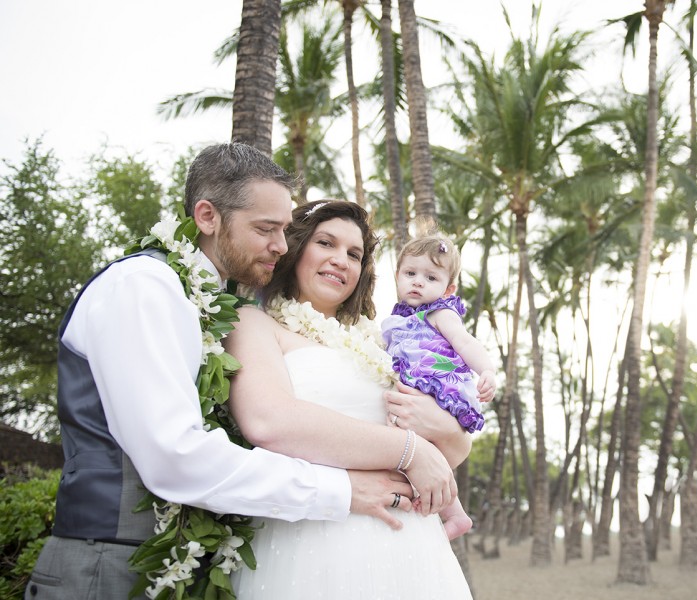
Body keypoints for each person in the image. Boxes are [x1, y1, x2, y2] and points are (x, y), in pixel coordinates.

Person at [26, 143, 455, 599]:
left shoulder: (209, 307)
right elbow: (175, 455)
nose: (280, 245)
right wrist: (345, 488)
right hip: (107, 562)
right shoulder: (144, 287)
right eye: (266, 229)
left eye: (286, 230)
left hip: (185, 561)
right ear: (208, 217)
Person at [226, 200, 473, 599]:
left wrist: (440, 426)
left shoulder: (383, 341)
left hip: (411, 547)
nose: (341, 260)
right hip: (313, 541)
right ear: (296, 247)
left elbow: (455, 451)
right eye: (326, 243)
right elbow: (268, 421)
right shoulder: (255, 323)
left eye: (354, 254)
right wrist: (409, 450)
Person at [382, 231, 498, 539]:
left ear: (448, 288)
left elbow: (463, 342)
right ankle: (455, 513)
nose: (418, 282)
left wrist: (486, 369)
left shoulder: (440, 312)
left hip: (438, 386)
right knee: (420, 450)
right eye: (410, 273)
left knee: (416, 448)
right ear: (397, 276)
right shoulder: (395, 320)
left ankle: (443, 505)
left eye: (430, 277)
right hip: (415, 389)